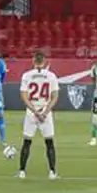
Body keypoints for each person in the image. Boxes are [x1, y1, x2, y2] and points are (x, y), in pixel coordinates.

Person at [17, 51, 59, 180]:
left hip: (32, 111)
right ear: (45, 61)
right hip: (45, 110)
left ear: (33, 61)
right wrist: (45, 112)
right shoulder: (51, 76)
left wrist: (34, 111)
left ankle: (22, 171)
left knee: (27, 142)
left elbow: (24, 95)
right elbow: (55, 96)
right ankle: (52, 172)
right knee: (49, 142)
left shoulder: (27, 75)